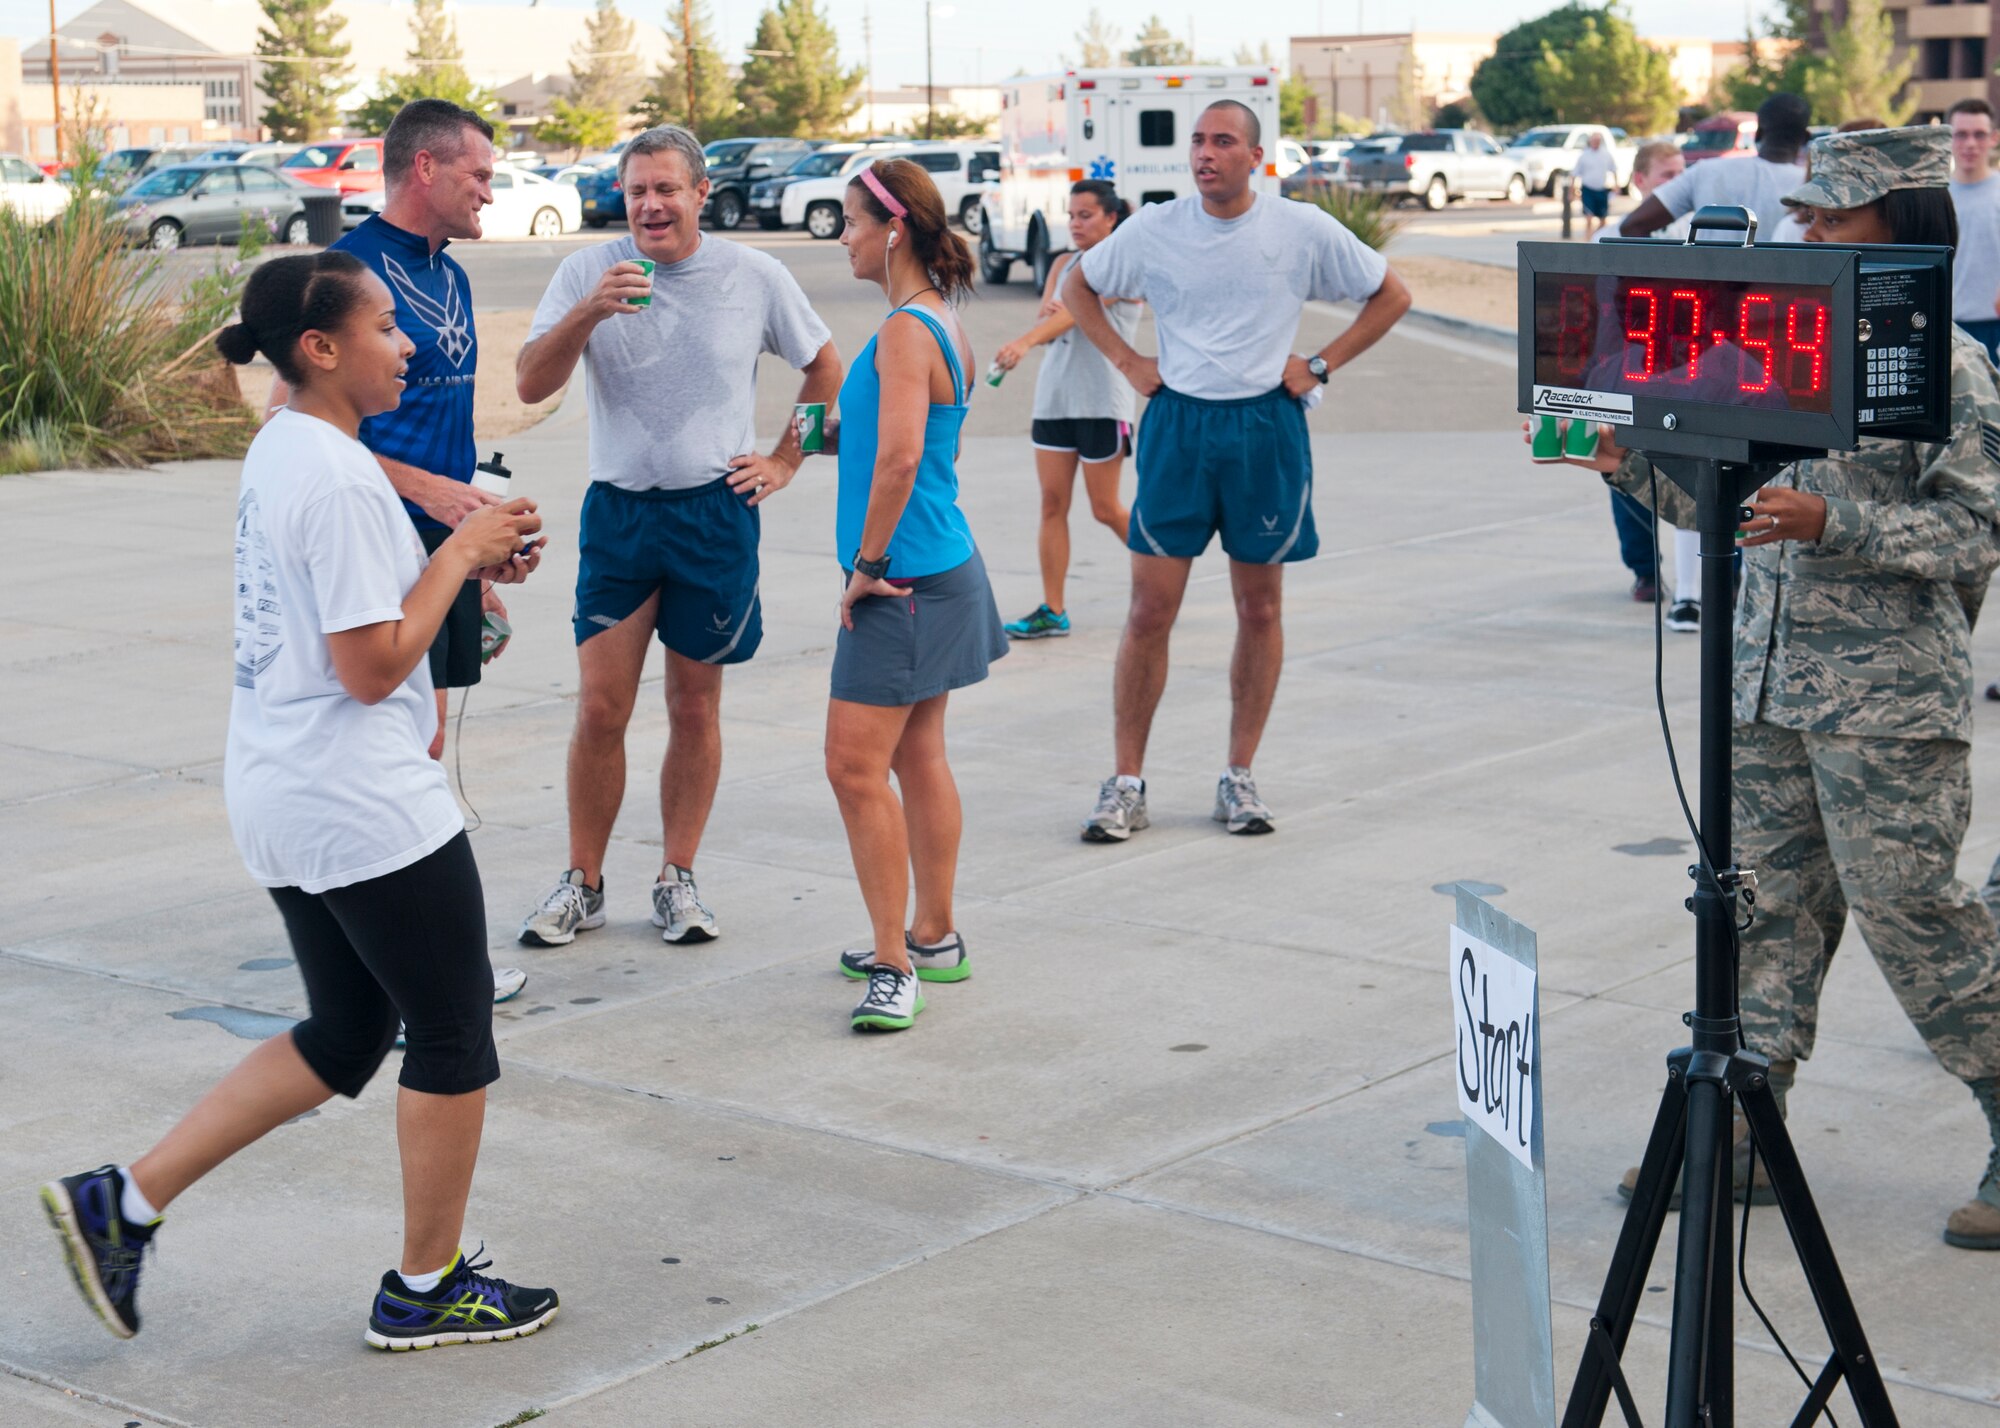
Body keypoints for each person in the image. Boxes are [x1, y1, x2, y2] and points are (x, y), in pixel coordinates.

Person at [41, 253, 561, 1347]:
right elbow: (371, 665)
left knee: (346, 1031)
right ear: (320, 350)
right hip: (359, 803)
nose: (406, 343)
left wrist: (454, 558)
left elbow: (361, 610)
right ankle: (427, 1287)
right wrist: (463, 548)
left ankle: (122, 1205)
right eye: (383, 325)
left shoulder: (292, 445)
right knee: (455, 1033)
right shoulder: (329, 473)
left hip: (286, 788)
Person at [1544, 127, 2000, 1251]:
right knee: (1756, 920)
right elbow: (1718, 503)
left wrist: (1833, 518)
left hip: (1886, 701)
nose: (1803, 232)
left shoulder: (1941, 360)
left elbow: (1979, 523)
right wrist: (1620, 463)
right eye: (1801, 215)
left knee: (1916, 921)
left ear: (1896, 228)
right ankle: (1746, 1131)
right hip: (1762, 690)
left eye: (1828, 219)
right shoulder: (1772, 343)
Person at [514, 125, 841, 948]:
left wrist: (785, 459)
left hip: (713, 514)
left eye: (666, 189)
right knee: (599, 707)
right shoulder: (585, 271)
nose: (651, 205)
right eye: (636, 192)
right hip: (621, 513)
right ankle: (582, 881)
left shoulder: (752, 275)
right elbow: (529, 383)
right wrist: (590, 311)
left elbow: (826, 366)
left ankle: (677, 876)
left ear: (701, 192)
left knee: (694, 705)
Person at [1061, 99, 1411, 841]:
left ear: (1257, 157)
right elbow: (1077, 288)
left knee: (1260, 609)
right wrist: (1128, 360)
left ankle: (1238, 776)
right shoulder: (1155, 230)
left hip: (1265, 428)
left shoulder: (1299, 229)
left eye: (1223, 142)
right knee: (1150, 610)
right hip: (1180, 426)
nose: (1205, 154)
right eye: (1197, 141)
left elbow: (1392, 295)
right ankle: (1125, 783)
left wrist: (1320, 363)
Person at [273, 102, 530, 1010]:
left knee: (425, 735)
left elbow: (444, 433)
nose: (490, 194)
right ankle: (422, 966)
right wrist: (427, 497)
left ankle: (409, 958)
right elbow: (286, 414)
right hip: (371, 540)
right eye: (479, 176)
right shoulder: (347, 273)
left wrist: (475, 542)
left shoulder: (449, 274)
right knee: (394, 742)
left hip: (443, 546)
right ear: (425, 170)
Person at [825, 157, 1007, 1032]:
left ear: (893, 228)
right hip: (942, 566)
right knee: (918, 755)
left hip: (899, 579)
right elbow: (933, 453)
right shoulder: (945, 323)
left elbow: (900, 461)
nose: (845, 237)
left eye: (853, 221)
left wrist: (864, 565)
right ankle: (931, 935)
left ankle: (894, 966)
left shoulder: (903, 330)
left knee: (853, 767)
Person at [991, 179, 1137, 640]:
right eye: (1071, 215)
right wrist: (1046, 320)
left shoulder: (1122, 265)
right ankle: (1053, 610)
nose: (1075, 224)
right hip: (1055, 400)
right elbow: (1051, 321)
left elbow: (1073, 313)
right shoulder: (1061, 263)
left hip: (1101, 400)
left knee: (1105, 508)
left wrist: (1027, 338)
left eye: (1086, 215)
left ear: (1112, 218)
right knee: (1052, 504)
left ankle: (1165, 574)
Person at [1598, 140, 1706, 630]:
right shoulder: (1610, 236)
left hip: (1684, 373)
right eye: (1667, 176)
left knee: (1689, 471)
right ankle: (1645, 569)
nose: (1677, 184)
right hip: (1628, 371)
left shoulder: (1697, 232)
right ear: (1639, 181)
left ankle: (1699, 582)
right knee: (1625, 470)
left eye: (1683, 174)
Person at [1618, 93, 1811, 243]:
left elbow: (1633, 226)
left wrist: (1668, 278)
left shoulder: (1706, 172)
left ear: (1758, 133)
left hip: (1708, 292)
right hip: (1781, 294)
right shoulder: (1812, 188)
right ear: (1805, 137)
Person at [1946, 98, 2000, 363]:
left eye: (1979, 135)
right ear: (1949, 138)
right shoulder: (1936, 198)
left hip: (1995, 326)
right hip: (1948, 324)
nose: (1970, 143)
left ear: (1994, 138)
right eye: (1961, 134)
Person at [1571, 130, 1616, 239]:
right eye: (1594, 140)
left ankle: (1595, 237)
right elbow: (1574, 174)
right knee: (1589, 218)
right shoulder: (1584, 156)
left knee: (1603, 219)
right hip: (1588, 189)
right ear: (1590, 141)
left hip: (1601, 189)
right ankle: (1587, 241)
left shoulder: (1606, 154)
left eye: (1598, 140)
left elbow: (1613, 170)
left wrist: (1616, 185)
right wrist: (1572, 192)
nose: (1596, 142)